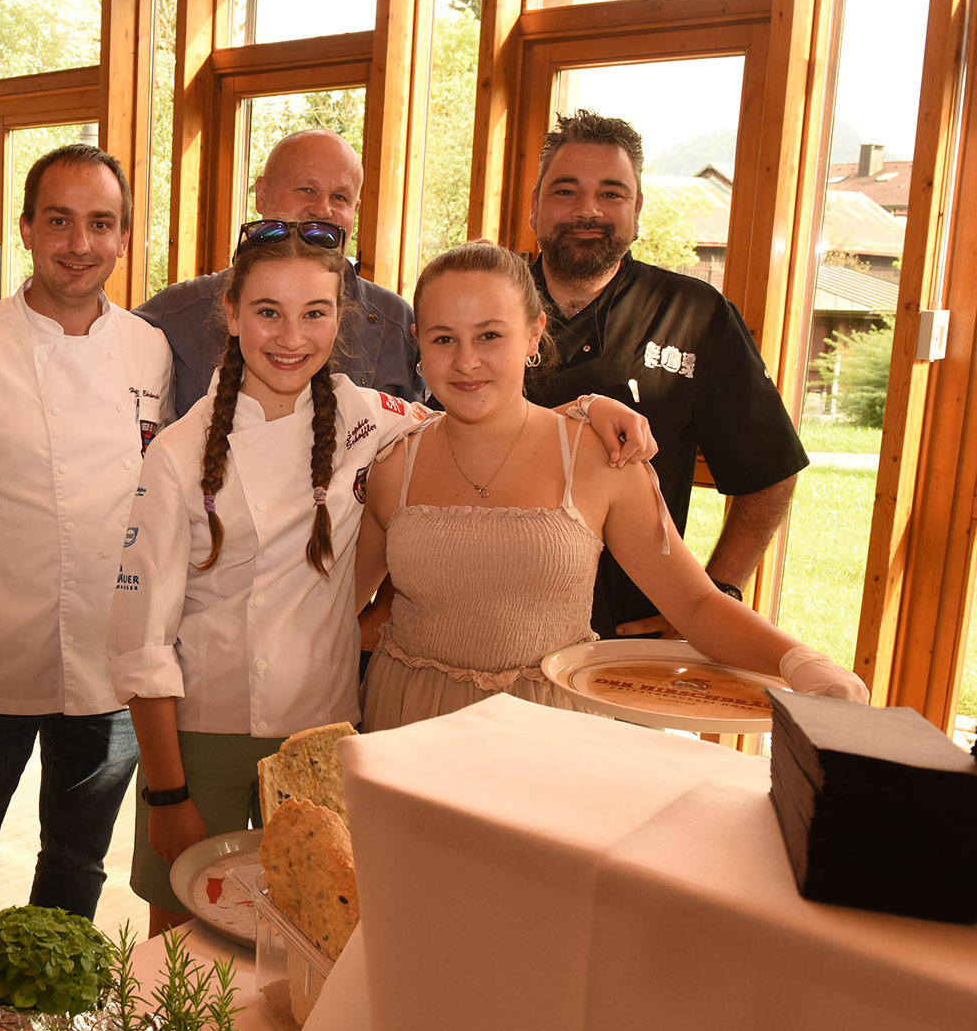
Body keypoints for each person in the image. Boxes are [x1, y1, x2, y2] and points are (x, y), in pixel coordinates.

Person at [108, 227, 652, 934]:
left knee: (316, 941)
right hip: (200, 735)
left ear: (341, 318)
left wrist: (585, 408)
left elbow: (484, 414)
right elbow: (139, 643)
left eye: (316, 313)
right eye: (268, 311)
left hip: (325, 727)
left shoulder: (368, 418)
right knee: (186, 947)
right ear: (232, 313)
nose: (291, 337)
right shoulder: (178, 453)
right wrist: (167, 791)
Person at [357, 241, 865, 732]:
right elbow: (337, 609)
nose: (467, 361)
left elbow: (695, 605)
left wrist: (801, 662)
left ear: (535, 335)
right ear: (418, 341)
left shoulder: (600, 460)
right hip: (407, 724)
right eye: (444, 338)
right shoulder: (393, 464)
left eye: (490, 335)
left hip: (550, 733)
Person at [0, 144, 171, 1017]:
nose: (79, 241)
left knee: (76, 867)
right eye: (58, 219)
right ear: (26, 230)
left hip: (109, 673)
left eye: (100, 222)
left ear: (123, 238)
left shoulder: (150, 350)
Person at [522, 110, 809, 639]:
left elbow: (770, 468)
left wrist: (715, 596)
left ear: (637, 211)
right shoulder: (483, 299)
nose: (588, 209)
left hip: (625, 636)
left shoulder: (696, 316)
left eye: (612, 194)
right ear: (535, 205)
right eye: (566, 191)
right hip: (482, 616)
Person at [0, 129, 423, 410]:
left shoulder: (396, 325)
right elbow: (73, 343)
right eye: (306, 190)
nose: (323, 209)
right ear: (262, 195)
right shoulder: (176, 316)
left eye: (341, 198)